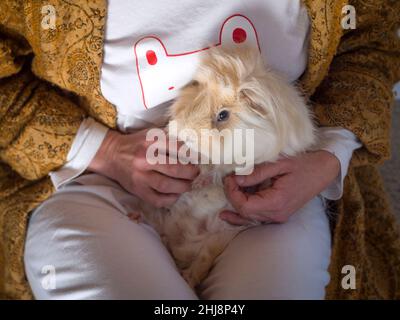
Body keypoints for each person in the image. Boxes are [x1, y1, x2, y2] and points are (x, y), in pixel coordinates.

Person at [0, 0, 399, 299]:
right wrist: (101, 149)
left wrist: (328, 156)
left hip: (271, 182)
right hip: (97, 177)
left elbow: (371, 43)